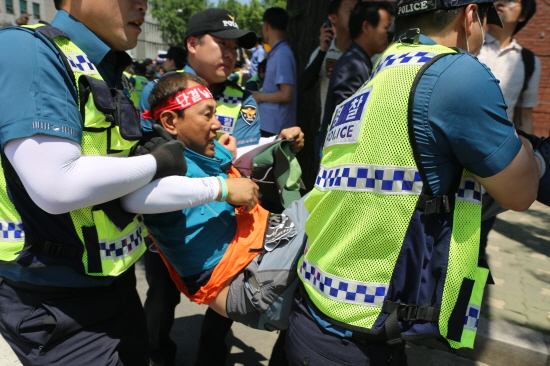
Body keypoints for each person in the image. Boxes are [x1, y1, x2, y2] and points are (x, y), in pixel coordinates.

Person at [0, 1, 258, 365]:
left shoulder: (107, 68)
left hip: (113, 282)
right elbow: (56, 186)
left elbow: (115, 176)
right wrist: (157, 162)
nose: (143, 5)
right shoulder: (28, 50)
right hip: (54, 298)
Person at [284, 0, 543, 364]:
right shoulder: (458, 73)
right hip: (359, 340)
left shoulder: (384, 71)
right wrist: (534, 151)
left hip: (317, 308)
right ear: (469, 16)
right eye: (486, 22)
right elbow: (520, 193)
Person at [140, 8, 304, 366]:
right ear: (193, 45)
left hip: (225, 221)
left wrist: (277, 141)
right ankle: (157, 355)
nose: (231, 54)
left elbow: (244, 154)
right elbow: (146, 156)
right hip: (170, 223)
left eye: (235, 48)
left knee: (223, 302)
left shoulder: (241, 97)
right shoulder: (159, 91)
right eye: (223, 44)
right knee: (162, 296)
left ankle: (209, 356)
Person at [476, 0, 540, 259]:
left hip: (495, 169)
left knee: (478, 246)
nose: (500, 1)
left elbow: (524, 117)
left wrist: (528, 162)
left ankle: (468, 299)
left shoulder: (528, 61)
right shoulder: (470, 44)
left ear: (523, 13)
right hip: (454, 156)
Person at [315, 1, 394, 156]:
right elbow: (347, 124)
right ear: (366, 27)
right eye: (386, 28)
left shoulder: (359, 60)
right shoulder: (353, 65)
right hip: (339, 158)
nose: (389, 35)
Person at [299, 0, 358, 125]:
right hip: (329, 131)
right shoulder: (324, 51)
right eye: (351, 12)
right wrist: (322, 51)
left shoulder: (370, 52)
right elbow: (304, 85)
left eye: (358, 11)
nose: (356, 16)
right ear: (333, 18)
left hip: (359, 130)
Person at [253, 7, 298, 137]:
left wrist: (260, 97)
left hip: (275, 127)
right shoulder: (278, 52)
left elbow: (286, 94)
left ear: (266, 26)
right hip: (272, 124)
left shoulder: (282, 54)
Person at [139, 45, 186, 130]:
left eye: (166, 60)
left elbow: (146, 124)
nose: (164, 63)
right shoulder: (197, 82)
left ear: (172, 61)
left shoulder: (153, 86)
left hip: (161, 138)